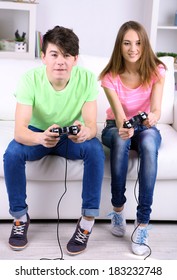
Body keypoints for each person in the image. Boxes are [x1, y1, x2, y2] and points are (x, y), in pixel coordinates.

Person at [3, 25, 105, 255]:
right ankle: (20, 218)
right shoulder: (29, 79)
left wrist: (84, 132)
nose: (61, 61)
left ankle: (87, 222)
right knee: (12, 153)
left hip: (69, 136)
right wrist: (40, 137)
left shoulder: (87, 78)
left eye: (67, 55)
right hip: (37, 133)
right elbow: (19, 131)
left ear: (76, 59)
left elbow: (91, 126)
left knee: (95, 150)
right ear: (43, 57)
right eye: (54, 54)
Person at [99, 21, 166, 256]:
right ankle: (118, 209)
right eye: (127, 43)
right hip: (115, 127)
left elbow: (157, 109)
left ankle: (142, 223)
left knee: (148, 142)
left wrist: (152, 118)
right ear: (120, 46)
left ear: (144, 44)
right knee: (120, 139)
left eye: (138, 43)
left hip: (145, 127)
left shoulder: (157, 70)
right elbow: (118, 118)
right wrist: (124, 128)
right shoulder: (109, 77)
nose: (133, 48)